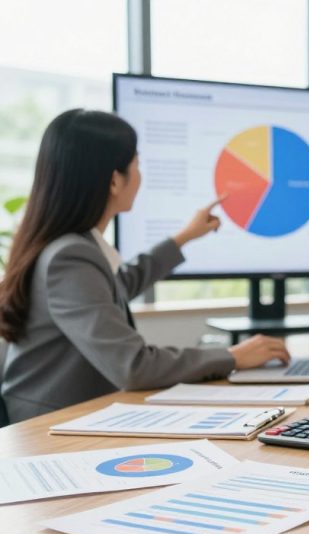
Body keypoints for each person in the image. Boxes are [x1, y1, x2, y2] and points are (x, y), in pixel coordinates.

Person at [0, 109, 290, 424]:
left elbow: (119, 286)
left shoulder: (70, 246)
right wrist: (233, 356)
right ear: (114, 180)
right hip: (44, 428)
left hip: (69, 415)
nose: (140, 175)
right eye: (137, 165)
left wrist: (183, 238)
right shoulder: (69, 258)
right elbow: (133, 366)